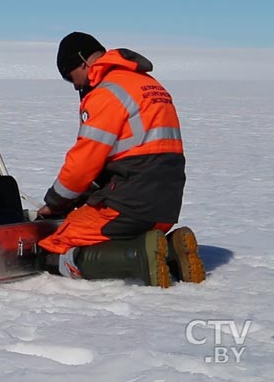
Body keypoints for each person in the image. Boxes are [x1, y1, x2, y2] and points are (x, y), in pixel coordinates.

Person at [37, 32, 205, 287]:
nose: (74, 85)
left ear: (82, 62)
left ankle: (138, 256)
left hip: (130, 204)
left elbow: (83, 163)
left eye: (70, 77)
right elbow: (135, 152)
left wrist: (55, 203)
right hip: (166, 205)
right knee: (126, 232)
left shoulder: (107, 92)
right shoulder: (148, 84)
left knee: (56, 244)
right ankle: (170, 250)